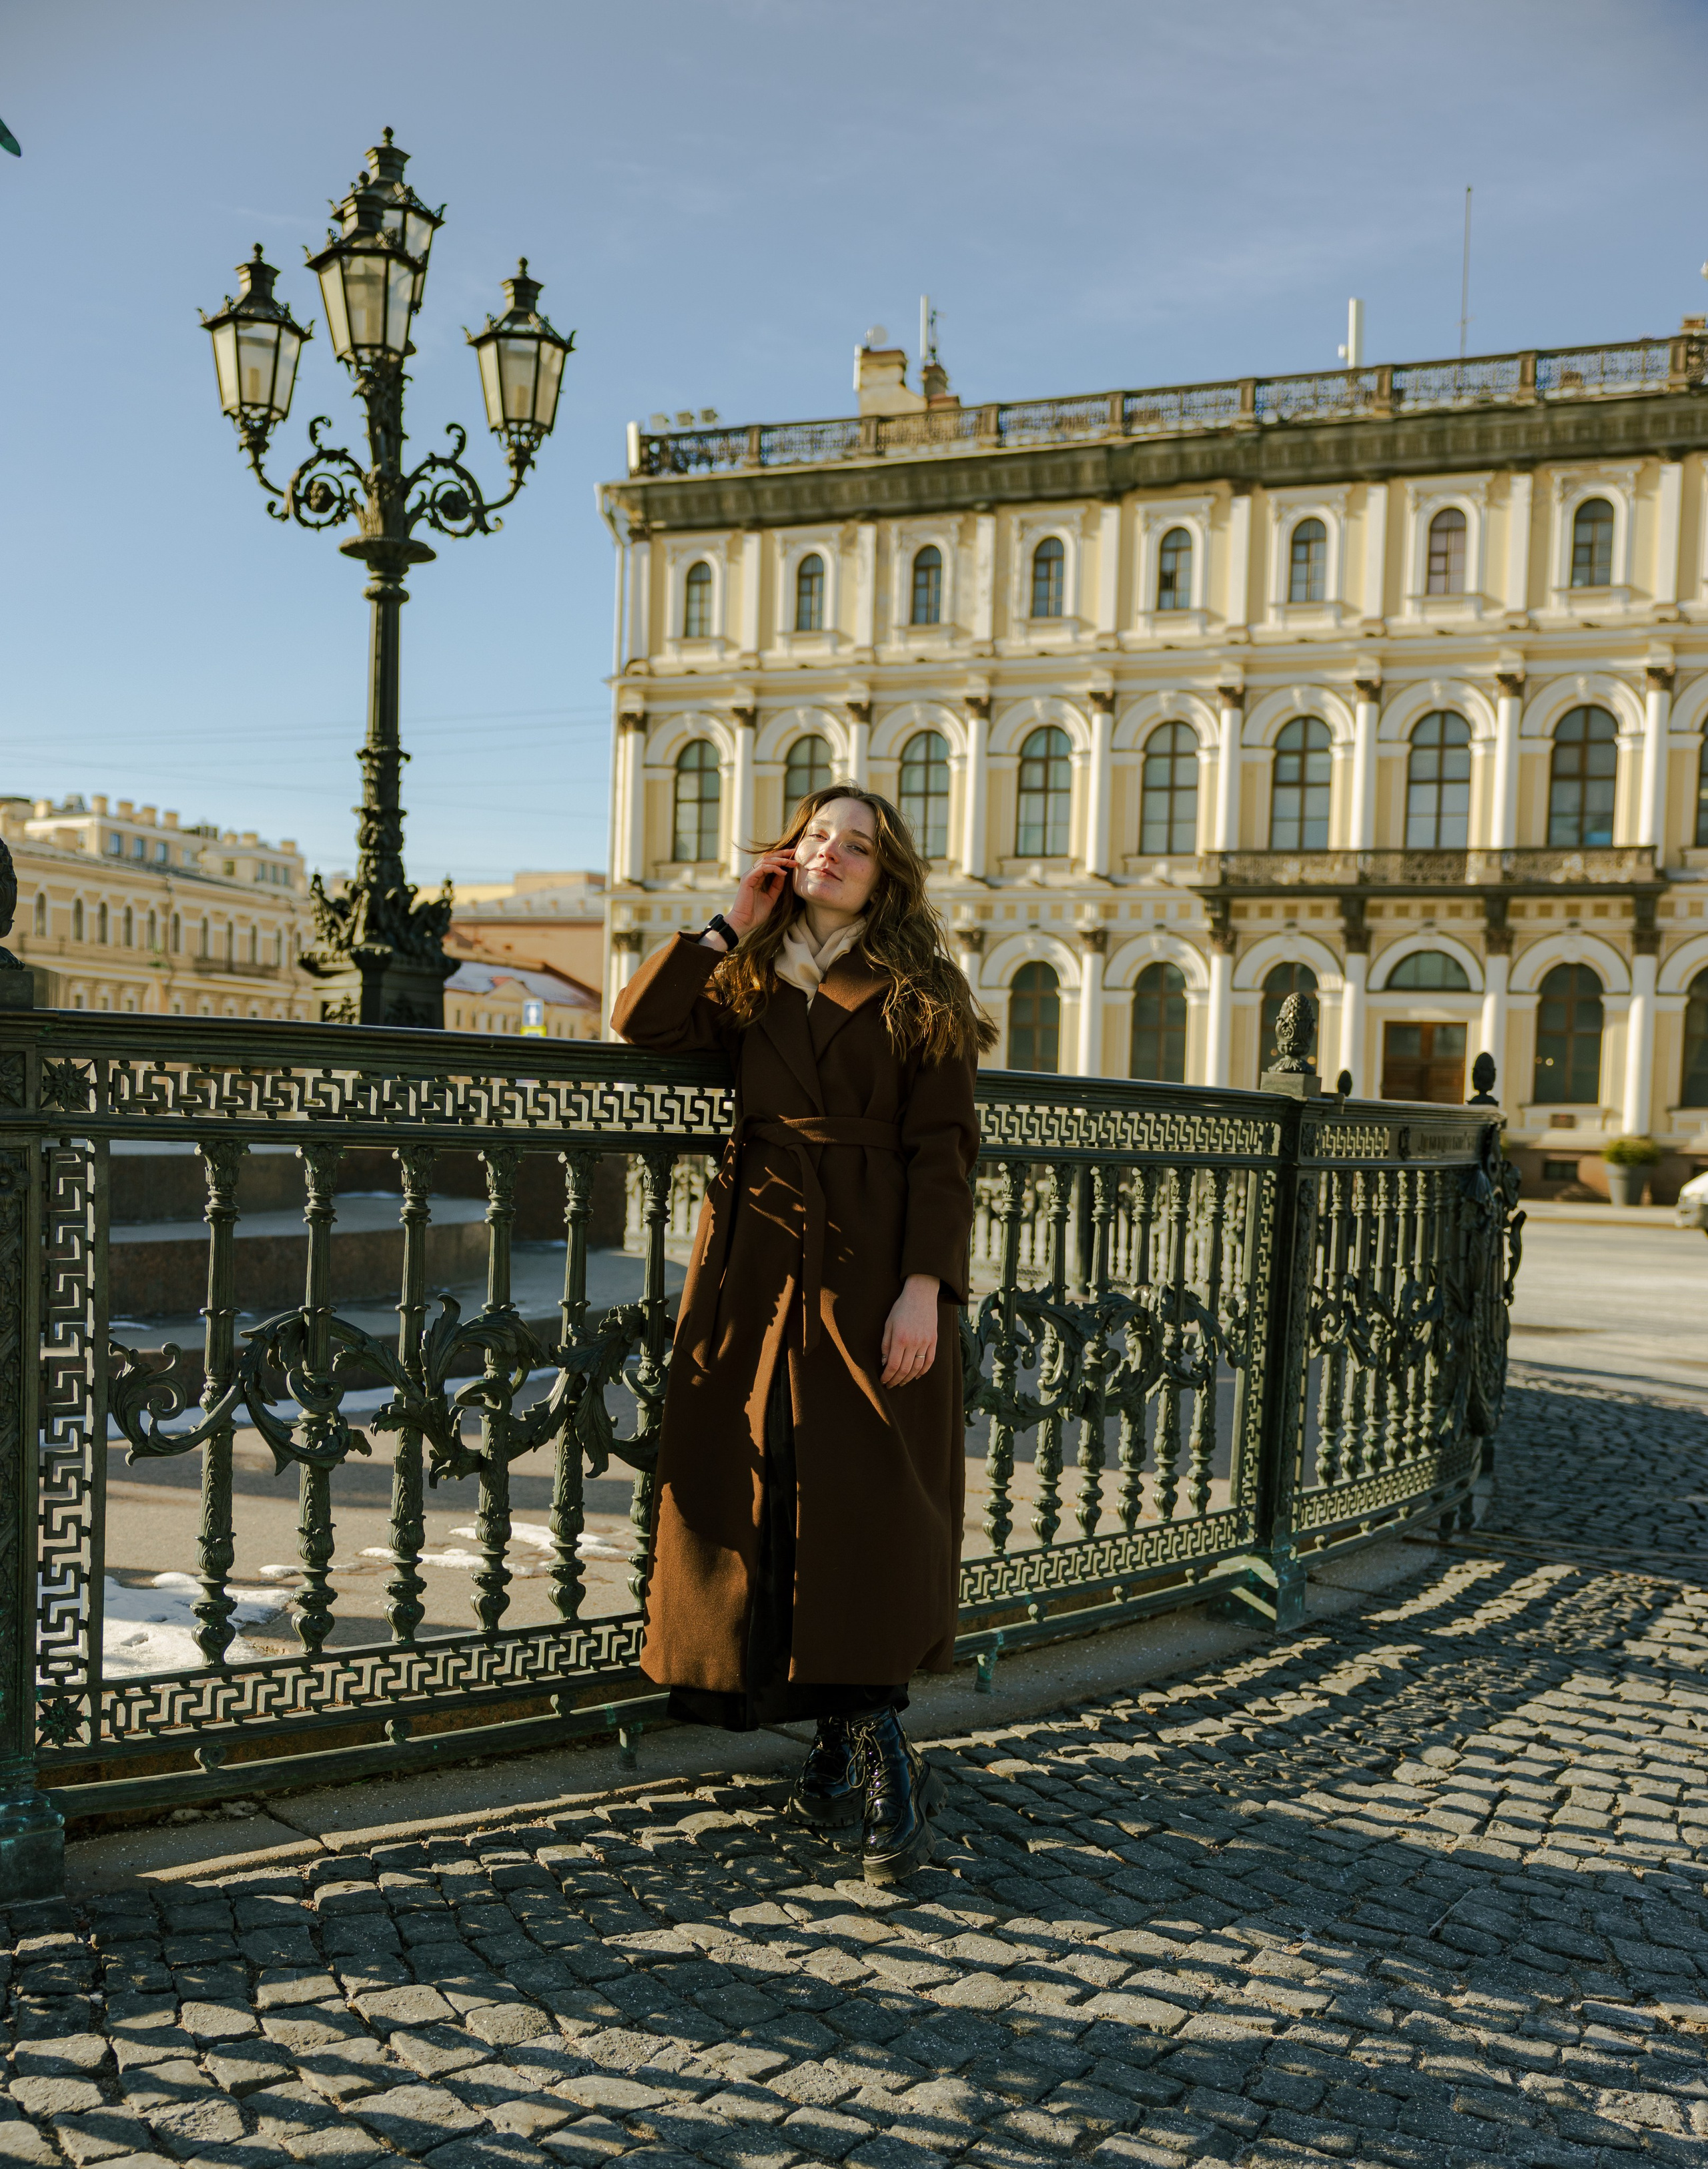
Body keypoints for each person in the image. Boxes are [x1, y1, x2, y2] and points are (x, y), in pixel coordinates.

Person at [610, 785, 993, 1882]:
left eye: (857, 845)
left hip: (873, 1266)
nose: (832, 853)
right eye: (817, 836)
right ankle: (833, 1744)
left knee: (868, 1499)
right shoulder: (746, 974)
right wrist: (730, 920)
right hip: (756, 1262)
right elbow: (642, 1023)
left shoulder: (922, 989)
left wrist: (924, 1290)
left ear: (887, 874)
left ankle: (879, 1754)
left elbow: (945, 1149)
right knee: (769, 1481)